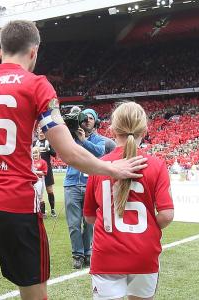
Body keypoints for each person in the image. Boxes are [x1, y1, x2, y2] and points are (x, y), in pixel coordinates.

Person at [0, 20, 146, 300]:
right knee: (34, 293)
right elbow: (68, 151)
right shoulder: (37, 86)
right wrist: (112, 167)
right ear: (34, 52)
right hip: (16, 208)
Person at [84, 101, 174, 300]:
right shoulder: (157, 165)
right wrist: (149, 226)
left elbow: (90, 217)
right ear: (144, 129)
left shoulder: (99, 166)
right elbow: (167, 214)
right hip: (144, 253)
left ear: (113, 129)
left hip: (106, 253)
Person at [64, 107, 107, 269]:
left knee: (89, 222)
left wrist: (83, 141)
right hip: (72, 184)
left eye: (91, 117)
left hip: (90, 184)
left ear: (95, 121)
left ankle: (87, 252)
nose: (87, 120)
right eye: (85, 117)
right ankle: (78, 254)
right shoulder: (70, 137)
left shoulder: (99, 140)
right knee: (74, 223)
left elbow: (99, 152)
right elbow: (61, 150)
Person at [33, 129, 57, 217]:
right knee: (37, 191)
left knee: (49, 190)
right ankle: (40, 211)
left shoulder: (48, 142)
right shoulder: (34, 143)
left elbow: (54, 154)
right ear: (37, 132)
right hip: (36, 170)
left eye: (43, 130)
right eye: (40, 130)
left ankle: (53, 210)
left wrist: (49, 149)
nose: (41, 132)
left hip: (47, 169)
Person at [32, 147, 48, 218]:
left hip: (39, 181)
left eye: (36, 153)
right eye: (33, 153)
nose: (35, 154)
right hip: (31, 181)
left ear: (39, 153)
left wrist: (35, 172)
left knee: (39, 196)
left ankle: (42, 213)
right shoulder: (30, 161)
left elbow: (44, 172)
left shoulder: (43, 162)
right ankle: (34, 211)